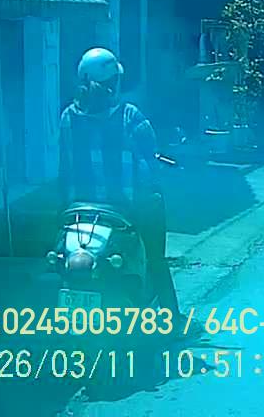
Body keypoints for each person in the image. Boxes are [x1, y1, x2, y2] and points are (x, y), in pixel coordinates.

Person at [57, 47, 179, 316]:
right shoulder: (129, 116)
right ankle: (172, 320)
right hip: (124, 208)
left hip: (78, 210)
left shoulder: (67, 117)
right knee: (156, 260)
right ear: (114, 82)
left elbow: (64, 168)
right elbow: (149, 168)